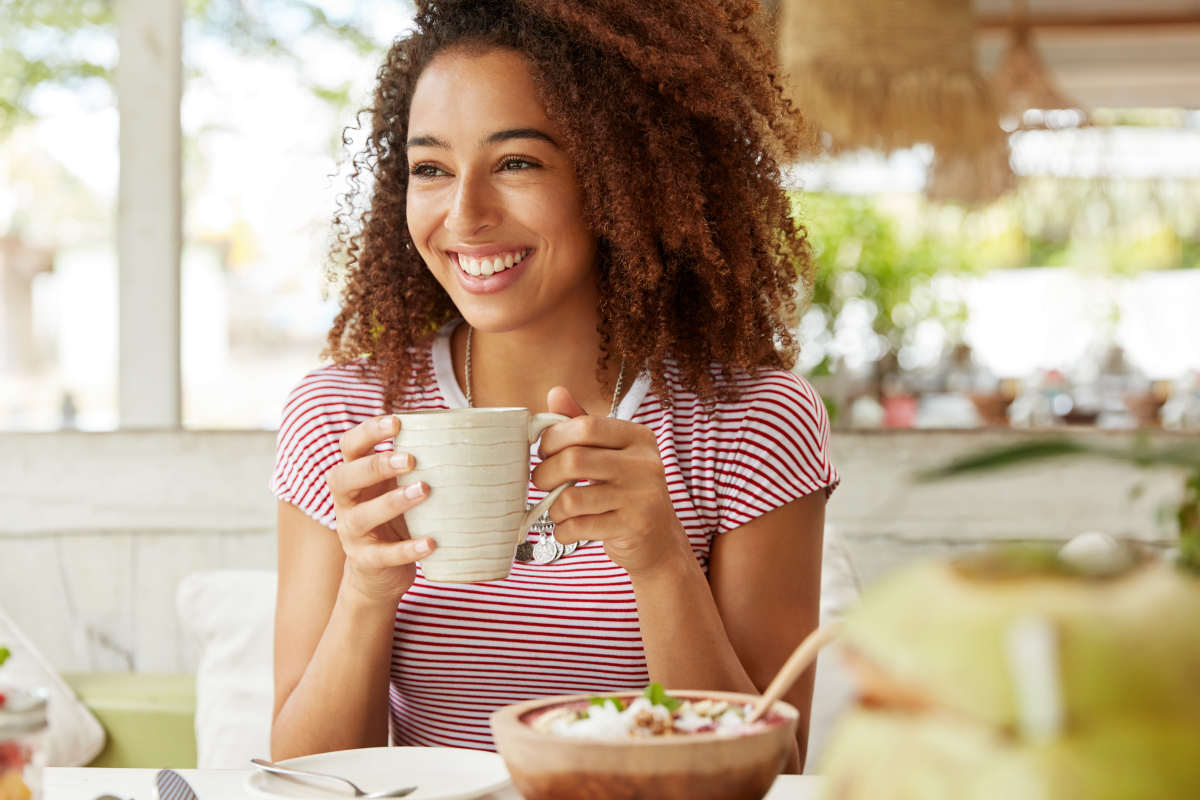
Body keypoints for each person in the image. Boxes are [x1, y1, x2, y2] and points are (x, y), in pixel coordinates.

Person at [270, 0, 839, 772]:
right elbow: (303, 775)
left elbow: (774, 770)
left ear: (618, 177)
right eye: (431, 168)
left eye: (516, 163)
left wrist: (662, 564)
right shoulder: (344, 413)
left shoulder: (750, 422)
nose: (464, 215)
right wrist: (367, 593)